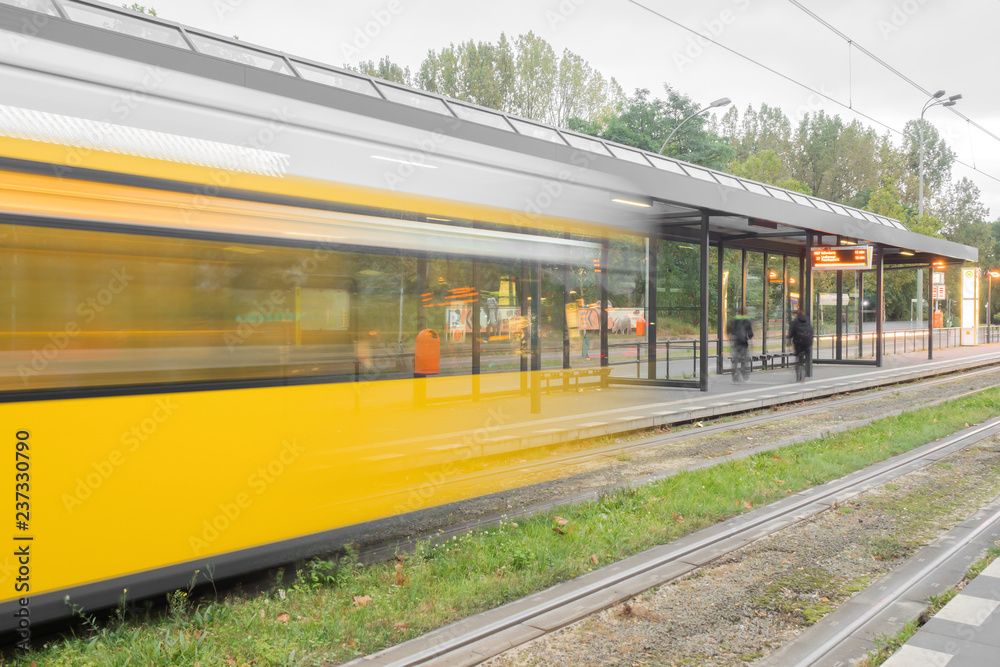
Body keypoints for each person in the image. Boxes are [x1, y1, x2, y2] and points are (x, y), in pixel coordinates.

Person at [728, 311, 754, 384]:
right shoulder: (746, 321)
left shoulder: (734, 321)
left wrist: (730, 344)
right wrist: (752, 343)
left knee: (735, 361)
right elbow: (750, 333)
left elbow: (731, 333)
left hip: (736, 344)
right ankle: (745, 377)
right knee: (745, 360)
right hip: (744, 344)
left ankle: (735, 378)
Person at [788, 309, 814, 383]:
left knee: (798, 357)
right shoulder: (807, 321)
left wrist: (789, 344)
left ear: (796, 314)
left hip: (798, 343)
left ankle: (799, 367)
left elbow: (791, 334)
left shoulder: (795, 322)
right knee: (807, 357)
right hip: (808, 343)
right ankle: (805, 371)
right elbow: (812, 331)